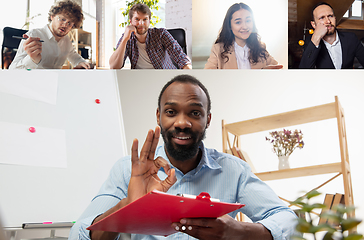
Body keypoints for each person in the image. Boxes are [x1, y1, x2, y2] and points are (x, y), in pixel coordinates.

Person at [69, 74, 297, 240]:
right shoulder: (127, 170)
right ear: (159, 116)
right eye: (171, 112)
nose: (182, 123)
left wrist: (239, 232)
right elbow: (78, 233)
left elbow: (289, 220)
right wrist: (129, 205)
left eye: (194, 113)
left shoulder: (234, 170)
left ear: (207, 119)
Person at [10, 0, 91, 70]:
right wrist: (32, 60)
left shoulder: (66, 40)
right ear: (52, 16)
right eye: (62, 19)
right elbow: (13, 69)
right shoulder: (34, 35)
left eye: (69, 23)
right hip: (34, 83)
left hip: (56, 83)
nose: (65, 25)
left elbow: (74, 57)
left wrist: (82, 63)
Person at [109, 3, 191, 69]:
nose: (141, 23)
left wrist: (188, 74)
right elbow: (114, 66)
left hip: (165, 76)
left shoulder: (161, 34)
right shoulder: (127, 37)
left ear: (149, 21)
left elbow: (181, 57)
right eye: (137, 19)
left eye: (145, 19)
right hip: (140, 79)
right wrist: (125, 40)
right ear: (131, 21)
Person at [299, 2, 364, 69]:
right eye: (321, 18)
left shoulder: (351, 38)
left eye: (330, 16)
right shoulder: (310, 42)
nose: (328, 21)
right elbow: (304, 71)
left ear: (335, 18)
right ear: (314, 24)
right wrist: (316, 37)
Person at [204, 3, 282, 69]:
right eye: (238, 22)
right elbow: (207, 75)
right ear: (230, 26)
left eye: (248, 21)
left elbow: (278, 69)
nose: (245, 27)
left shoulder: (260, 47)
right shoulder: (218, 49)